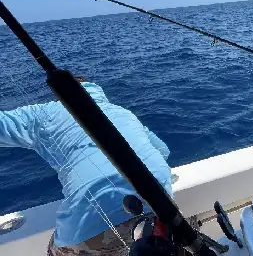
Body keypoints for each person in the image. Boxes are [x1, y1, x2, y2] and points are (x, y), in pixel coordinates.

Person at [0, 76, 175, 255]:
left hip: (92, 228)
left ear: (60, 95)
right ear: (95, 90)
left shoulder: (43, 114)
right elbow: (163, 151)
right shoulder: (123, 112)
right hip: (161, 208)